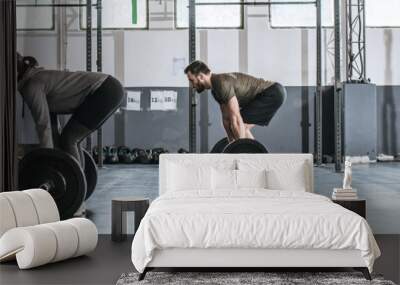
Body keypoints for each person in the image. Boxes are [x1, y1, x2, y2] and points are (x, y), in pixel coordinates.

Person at [17, 52, 124, 168]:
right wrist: (54, 155)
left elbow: (43, 125)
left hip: (105, 90)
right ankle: (80, 181)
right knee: (71, 139)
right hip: (111, 88)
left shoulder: (32, 85)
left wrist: (47, 159)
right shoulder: (37, 79)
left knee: (69, 139)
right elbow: (52, 128)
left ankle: (77, 183)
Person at [184, 60, 286, 142]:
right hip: (270, 93)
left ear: (201, 76)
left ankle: (253, 154)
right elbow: (226, 120)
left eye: (192, 80)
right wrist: (231, 144)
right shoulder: (215, 90)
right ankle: (253, 153)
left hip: (272, 92)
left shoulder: (221, 84)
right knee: (237, 126)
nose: (192, 85)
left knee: (239, 124)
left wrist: (238, 148)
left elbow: (236, 118)